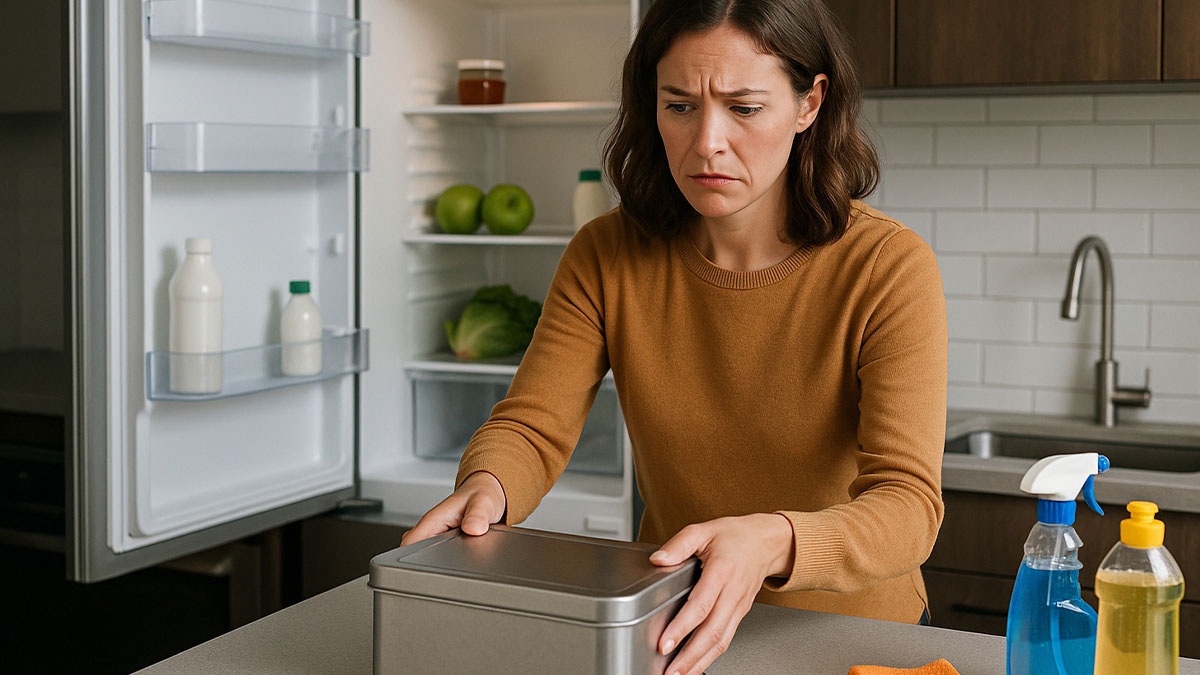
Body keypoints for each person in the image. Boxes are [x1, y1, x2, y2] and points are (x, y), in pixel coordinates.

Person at [401, 1, 948, 673]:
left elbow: (907, 507)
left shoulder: (888, 267)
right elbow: (532, 425)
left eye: (744, 108)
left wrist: (769, 540)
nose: (707, 141)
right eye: (679, 105)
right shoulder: (605, 253)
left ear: (810, 102)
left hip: (857, 642)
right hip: (673, 626)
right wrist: (487, 486)